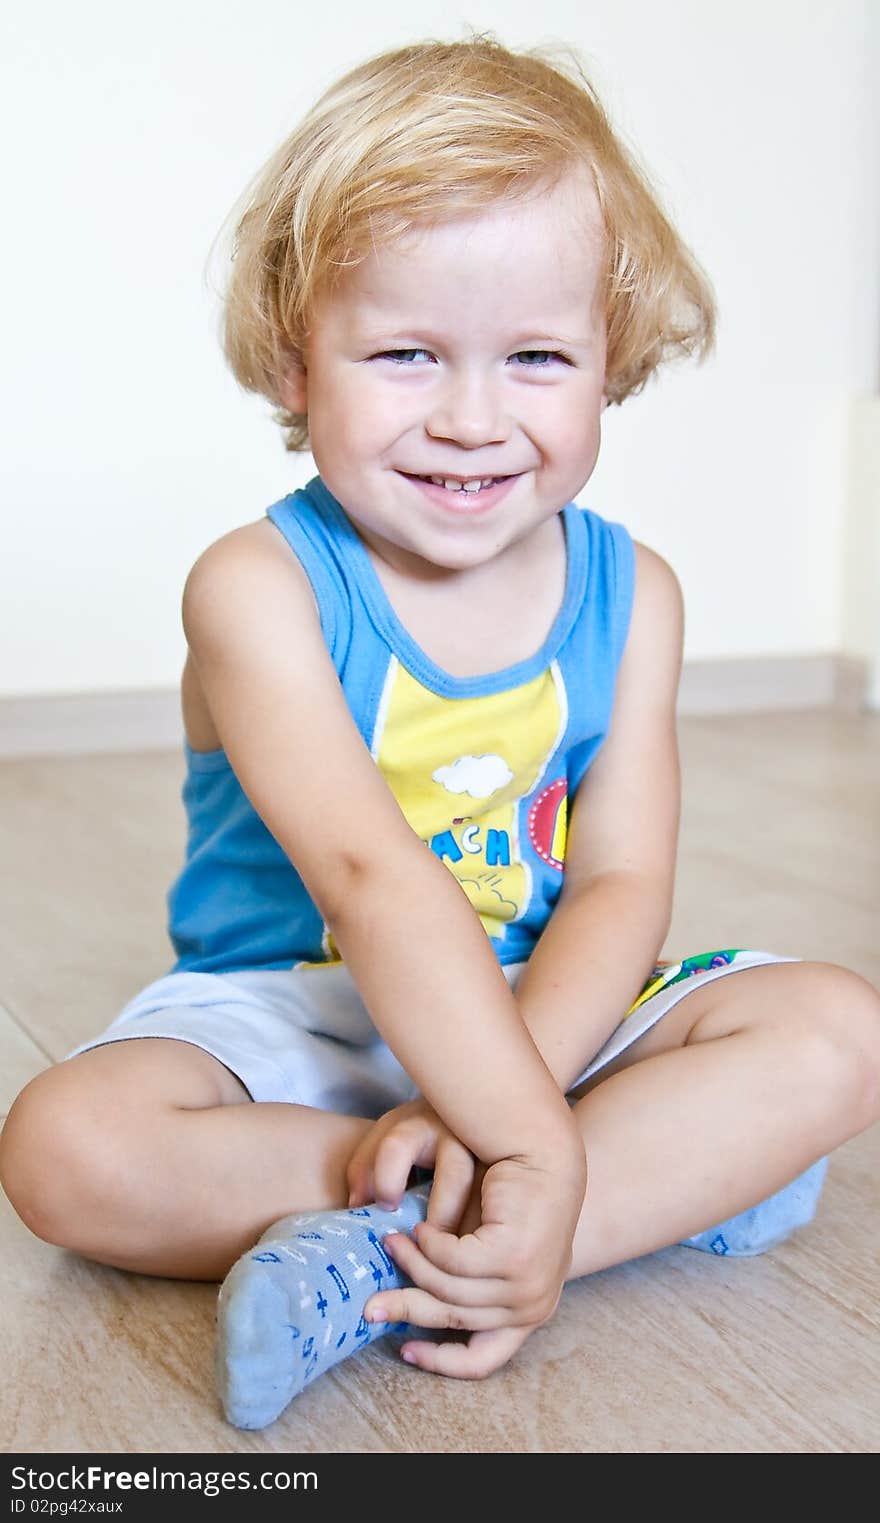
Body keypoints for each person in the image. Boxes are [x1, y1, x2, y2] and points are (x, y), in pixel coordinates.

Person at [2, 32, 879, 1433]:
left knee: (841, 1027)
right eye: (406, 353)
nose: (472, 419)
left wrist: (515, 1091)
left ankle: (390, 1251)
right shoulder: (261, 587)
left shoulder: (633, 594)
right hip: (303, 1010)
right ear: (298, 359)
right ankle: (597, 1191)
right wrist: (522, 1141)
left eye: (536, 356)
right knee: (63, 1149)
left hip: (546, 1005)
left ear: (612, 359)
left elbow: (616, 886)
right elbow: (369, 877)